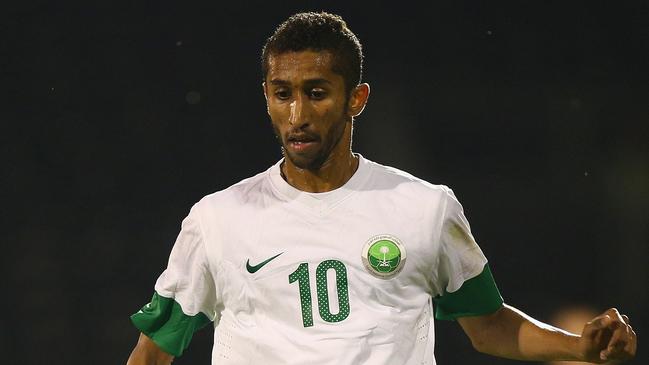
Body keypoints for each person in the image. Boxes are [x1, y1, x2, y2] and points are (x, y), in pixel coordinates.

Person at [125, 12, 637, 365]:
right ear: (266, 97)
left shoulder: (424, 209)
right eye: (282, 95)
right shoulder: (217, 220)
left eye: (317, 93)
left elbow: (491, 327)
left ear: (357, 99)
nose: (297, 115)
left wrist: (582, 349)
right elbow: (152, 352)